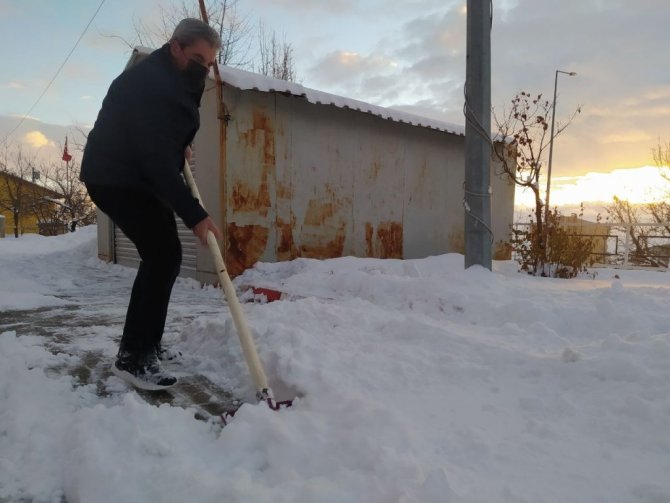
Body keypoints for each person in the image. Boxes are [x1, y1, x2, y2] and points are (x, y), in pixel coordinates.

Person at [80, 19, 223, 390]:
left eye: (209, 64)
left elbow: (165, 133)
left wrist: (180, 144)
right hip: (116, 177)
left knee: (166, 255)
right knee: (162, 255)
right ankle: (132, 356)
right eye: (198, 59)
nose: (203, 69)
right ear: (174, 46)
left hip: (137, 174)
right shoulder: (147, 84)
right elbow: (154, 158)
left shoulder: (177, 76)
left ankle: (149, 344)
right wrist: (195, 215)